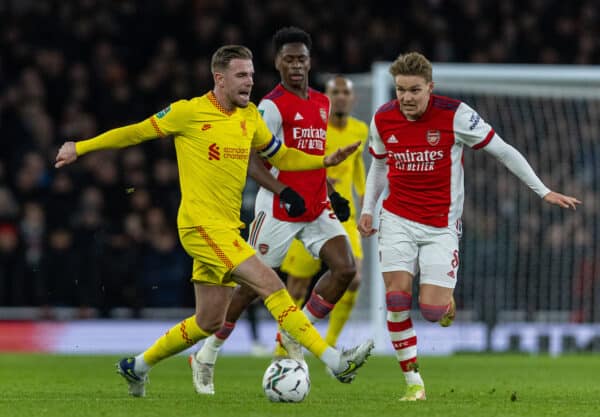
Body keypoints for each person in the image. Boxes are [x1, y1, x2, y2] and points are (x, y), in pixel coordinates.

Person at [54, 44, 374, 398]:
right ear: (219, 79)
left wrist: (323, 161)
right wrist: (79, 148)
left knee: (209, 321)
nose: (249, 82)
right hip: (200, 226)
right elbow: (133, 132)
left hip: (226, 226)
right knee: (271, 284)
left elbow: (281, 155)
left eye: (251, 75)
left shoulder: (249, 116)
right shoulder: (188, 112)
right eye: (241, 75)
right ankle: (335, 361)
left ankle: (137, 366)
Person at [358, 52, 581, 401]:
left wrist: (543, 191)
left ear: (430, 87)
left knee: (431, 311)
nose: (406, 98)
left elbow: (504, 151)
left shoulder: (455, 115)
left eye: (414, 90)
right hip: (397, 218)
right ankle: (414, 383)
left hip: (441, 226)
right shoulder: (383, 119)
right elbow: (379, 166)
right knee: (397, 297)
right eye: (401, 90)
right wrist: (368, 209)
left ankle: (445, 304)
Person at [192, 28, 362, 395]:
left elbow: (311, 160)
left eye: (302, 58)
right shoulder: (269, 106)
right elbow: (252, 163)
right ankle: (208, 353)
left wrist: (332, 195)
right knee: (249, 289)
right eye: (289, 58)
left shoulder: (321, 102)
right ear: (277, 63)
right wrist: (283, 192)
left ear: (310, 61)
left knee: (346, 267)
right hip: (278, 210)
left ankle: (293, 331)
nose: (296, 64)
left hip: (315, 206)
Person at [279, 75, 368, 347]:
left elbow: (356, 169)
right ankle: (283, 348)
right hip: (310, 213)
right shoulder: (313, 128)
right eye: (335, 92)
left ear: (353, 99)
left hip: (345, 216)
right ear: (326, 98)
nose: (340, 96)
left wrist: (366, 202)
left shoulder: (360, 130)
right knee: (296, 288)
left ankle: (329, 342)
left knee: (354, 278)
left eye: (345, 92)